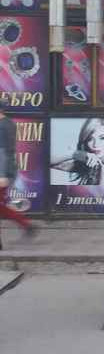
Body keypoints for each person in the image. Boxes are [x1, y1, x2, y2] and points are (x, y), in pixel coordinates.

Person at [51, 118, 104, 185]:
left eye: (102, 138)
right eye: (90, 139)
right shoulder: (95, 163)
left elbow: (102, 198)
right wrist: (76, 154)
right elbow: (50, 163)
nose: (96, 144)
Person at [0, 97, 36, 245]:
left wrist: (2, 175)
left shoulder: (2, 126)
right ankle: (27, 225)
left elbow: (2, 152)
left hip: (3, 170)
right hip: (8, 168)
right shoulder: (9, 123)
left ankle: (26, 225)